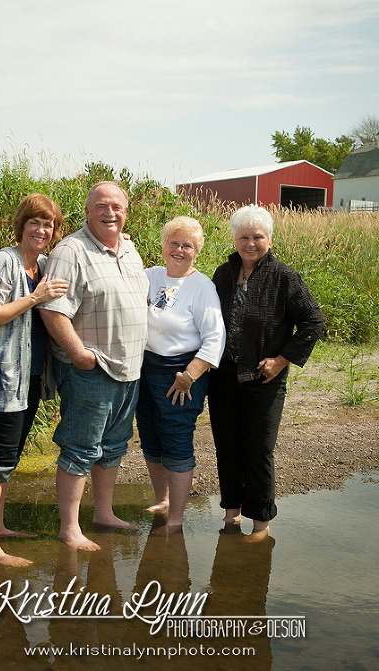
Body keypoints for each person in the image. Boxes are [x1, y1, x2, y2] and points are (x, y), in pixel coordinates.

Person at [39, 181, 149, 552]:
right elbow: (53, 312)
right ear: (87, 211)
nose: (109, 213)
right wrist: (79, 355)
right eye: (101, 206)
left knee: (115, 446)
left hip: (130, 369)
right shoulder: (71, 251)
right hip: (93, 370)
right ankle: (69, 529)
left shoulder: (130, 250)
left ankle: (104, 514)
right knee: (80, 449)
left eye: (117, 207)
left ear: (126, 212)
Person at [208, 205, 323, 541]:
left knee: (258, 450)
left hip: (265, 379)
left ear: (269, 240)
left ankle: (261, 524)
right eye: (244, 236)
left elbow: (313, 321)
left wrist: (281, 360)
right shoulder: (223, 273)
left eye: (257, 237)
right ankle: (232, 515)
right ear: (234, 238)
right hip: (223, 378)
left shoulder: (285, 277)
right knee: (226, 447)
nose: (250, 243)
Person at [0, 194, 68, 566]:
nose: (42, 230)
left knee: (10, 458)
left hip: (31, 379)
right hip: (5, 379)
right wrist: (35, 298)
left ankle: (0, 528)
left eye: (48, 225)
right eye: (35, 222)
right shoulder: (5, 260)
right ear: (22, 225)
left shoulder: (43, 264)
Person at [135, 216, 225, 534]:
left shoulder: (202, 287)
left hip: (181, 374)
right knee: (150, 435)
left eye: (187, 245)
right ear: (163, 246)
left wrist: (190, 375)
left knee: (176, 439)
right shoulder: (150, 275)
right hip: (145, 368)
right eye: (174, 243)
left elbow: (215, 338)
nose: (179, 249)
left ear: (196, 251)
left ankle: (175, 519)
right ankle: (162, 499)